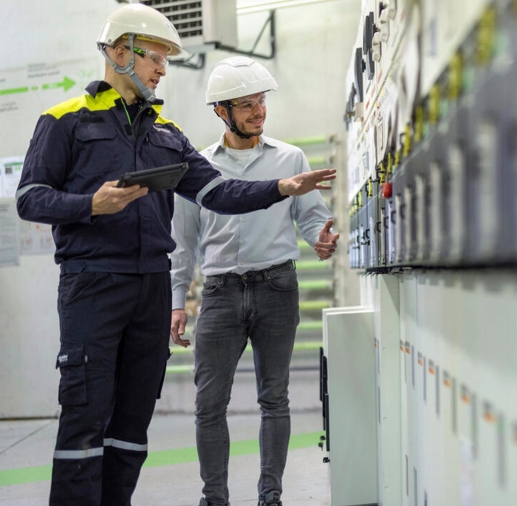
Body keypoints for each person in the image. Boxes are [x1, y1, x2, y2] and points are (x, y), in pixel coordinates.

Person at [14, 5, 336, 506]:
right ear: (120, 53)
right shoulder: (64, 121)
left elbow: (220, 194)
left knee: (132, 422)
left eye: (166, 59)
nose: (163, 69)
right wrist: (90, 205)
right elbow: (30, 198)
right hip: (92, 284)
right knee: (85, 414)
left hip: (148, 286)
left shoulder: (165, 133)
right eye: (155, 57)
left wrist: (280, 186)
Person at [168, 56, 339, 506]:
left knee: (274, 399)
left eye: (260, 101)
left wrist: (320, 241)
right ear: (221, 112)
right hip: (220, 292)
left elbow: (310, 219)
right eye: (245, 104)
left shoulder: (291, 158)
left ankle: (271, 496)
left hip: (277, 288)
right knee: (208, 406)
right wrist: (176, 301)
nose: (258, 111)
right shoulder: (199, 169)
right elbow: (183, 241)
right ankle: (215, 499)